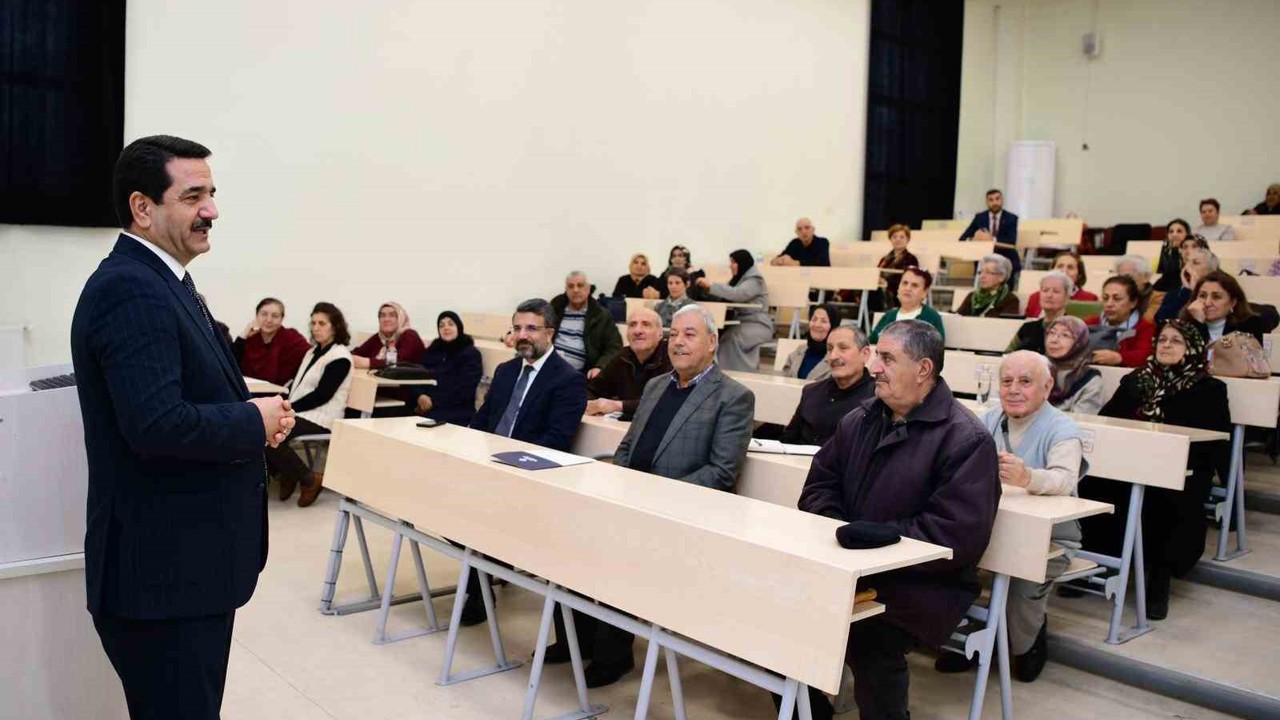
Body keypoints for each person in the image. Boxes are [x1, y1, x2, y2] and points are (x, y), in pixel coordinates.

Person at [70, 135, 294, 719]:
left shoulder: (162, 280)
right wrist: (250, 420)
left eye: (212, 194)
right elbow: (156, 425)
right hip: (162, 579)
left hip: (184, 571)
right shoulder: (132, 288)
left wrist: (249, 411)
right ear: (143, 208)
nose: (212, 210)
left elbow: (177, 395)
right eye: (193, 196)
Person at [793, 320, 1001, 720]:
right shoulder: (861, 419)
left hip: (923, 581)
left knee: (867, 639)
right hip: (849, 563)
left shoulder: (966, 440)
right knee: (776, 607)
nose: (874, 367)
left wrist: (874, 541)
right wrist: (836, 531)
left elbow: (956, 537)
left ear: (923, 369)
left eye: (887, 358)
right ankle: (810, 711)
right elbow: (819, 485)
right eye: (874, 354)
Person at [561, 304, 754, 688]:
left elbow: (721, 472)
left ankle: (612, 655)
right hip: (633, 502)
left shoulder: (733, 397)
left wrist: (654, 497)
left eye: (690, 335)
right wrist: (616, 485)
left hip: (682, 515)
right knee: (570, 535)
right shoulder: (655, 386)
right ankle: (576, 641)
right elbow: (628, 446)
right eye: (675, 334)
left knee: (622, 554)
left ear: (712, 343)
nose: (678, 343)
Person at [935, 352, 1086, 683]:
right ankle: (964, 641)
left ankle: (1026, 643)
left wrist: (1028, 477)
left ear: (1047, 387)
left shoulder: (1063, 428)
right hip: (990, 529)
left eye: (1025, 382)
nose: (1014, 390)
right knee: (947, 564)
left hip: (1049, 539)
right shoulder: (987, 420)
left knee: (1022, 586)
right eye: (1007, 381)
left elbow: (1064, 479)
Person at [1077, 320, 1231, 619]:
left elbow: (1214, 443)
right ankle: (1094, 564)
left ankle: (1159, 578)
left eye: (1176, 341)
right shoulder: (1137, 379)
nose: (1166, 345)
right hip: (1131, 463)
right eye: (1162, 340)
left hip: (1182, 469)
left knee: (1165, 498)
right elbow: (1108, 421)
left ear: (1194, 349)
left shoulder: (1209, 389)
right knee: (1093, 484)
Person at [463, 298, 588, 626]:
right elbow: (482, 422)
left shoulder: (567, 379)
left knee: (473, 512)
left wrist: (506, 465)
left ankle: (480, 588)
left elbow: (555, 443)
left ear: (551, 333)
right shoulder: (505, 372)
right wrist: (464, 448)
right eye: (517, 328)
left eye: (531, 328)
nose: (523, 335)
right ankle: (482, 579)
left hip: (530, 476)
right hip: (488, 467)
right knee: (440, 502)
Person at [265, 302, 354, 507]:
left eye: (322, 323)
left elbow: (322, 395)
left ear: (336, 327)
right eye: (313, 322)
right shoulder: (313, 352)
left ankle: (309, 479)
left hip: (323, 416)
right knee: (267, 428)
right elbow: (298, 385)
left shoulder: (340, 357)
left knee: (272, 432)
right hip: (303, 412)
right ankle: (290, 474)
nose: (316, 327)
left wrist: (290, 408)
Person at [779, 325, 875, 446]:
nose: (833, 356)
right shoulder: (811, 391)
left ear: (865, 354)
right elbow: (788, 439)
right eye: (830, 349)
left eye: (843, 348)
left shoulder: (877, 397)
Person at [585, 307, 672, 418]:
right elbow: (592, 390)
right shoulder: (623, 356)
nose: (637, 331)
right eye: (632, 325)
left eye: (646, 324)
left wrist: (618, 405)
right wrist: (591, 404)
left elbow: (663, 403)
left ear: (660, 334)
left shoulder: (671, 357)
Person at [695, 250, 772, 371]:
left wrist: (711, 286)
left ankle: (735, 374)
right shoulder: (739, 279)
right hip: (739, 323)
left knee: (731, 338)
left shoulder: (755, 280)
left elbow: (738, 294)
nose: (730, 265)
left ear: (742, 263)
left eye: (733, 262)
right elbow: (727, 294)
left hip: (758, 324)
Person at [411, 311, 484, 425]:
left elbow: (465, 390)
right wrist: (420, 396)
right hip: (426, 409)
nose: (446, 328)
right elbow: (417, 376)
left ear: (458, 327)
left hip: (456, 413)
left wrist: (432, 402)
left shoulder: (470, 354)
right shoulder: (432, 351)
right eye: (441, 325)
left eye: (450, 324)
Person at [550, 271, 623, 377]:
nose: (575, 290)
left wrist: (599, 367)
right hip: (550, 369)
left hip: (580, 374)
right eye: (571, 286)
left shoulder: (601, 315)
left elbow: (614, 347)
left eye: (580, 285)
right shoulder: (555, 310)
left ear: (588, 289)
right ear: (566, 290)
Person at [232, 297, 311, 387]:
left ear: (282, 319)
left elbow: (311, 357)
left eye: (275, 316)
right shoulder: (250, 339)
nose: (269, 320)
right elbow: (230, 363)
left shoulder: (292, 338)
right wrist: (243, 335)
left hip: (281, 395)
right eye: (264, 314)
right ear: (257, 316)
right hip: (248, 393)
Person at [1086, 276, 1156, 367]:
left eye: (1117, 299)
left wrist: (1120, 358)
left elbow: (1145, 354)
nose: (1109, 304)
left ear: (1133, 302)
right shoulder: (1088, 324)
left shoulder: (1145, 327)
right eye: (1105, 298)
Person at [1181, 270, 1267, 343]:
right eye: (1202, 296)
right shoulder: (1184, 326)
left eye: (1216, 297)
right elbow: (1191, 359)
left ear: (1232, 303)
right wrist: (1198, 323)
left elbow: (1242, 360)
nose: (1207, 303)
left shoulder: (1250, 324)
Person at [1044, 316, 1105, 414]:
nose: (1054, 340)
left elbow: (1082, 423)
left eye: (1065, 335)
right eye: (1052, 333)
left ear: (1079, 342)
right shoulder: (1036, 368)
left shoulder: (1090, 380)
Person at [869, 267, 945, 344]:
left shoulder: (931, 317)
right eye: (905, 283)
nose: (908, 288)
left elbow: (937, 348)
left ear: (925, 292)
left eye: (914, 285)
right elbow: (872, 343)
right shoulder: (888, 316)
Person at [959, 188, 1021, 277]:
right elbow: (963, 238)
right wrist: (974, 239)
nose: (994, 203)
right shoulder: (980, 217)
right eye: (991, 200)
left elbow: (1011, 240)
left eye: (997, 199)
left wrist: (992, 239)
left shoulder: (1011, 218)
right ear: (986, 202)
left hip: (1005, 256)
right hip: (984, 257)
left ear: (1002, 200)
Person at [1008, 271, 1073, 353]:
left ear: (1067, 298)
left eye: (1056, 291)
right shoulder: (1027, 328)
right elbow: (1008, 354)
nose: (1049, 295)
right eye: (1045, 290)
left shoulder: (1075, 329)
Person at [1023, 250, 1098, 317]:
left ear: (1079, 276)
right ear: (1052, 270)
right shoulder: (1035, 297)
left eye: (1070, 267)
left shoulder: (1090, 299)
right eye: (1060, 266)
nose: (1064, 271)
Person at [351, 302, 425, 369]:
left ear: (400, 318)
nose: (386, 319)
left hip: (409, 382)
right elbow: (357, 353)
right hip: (382, 382)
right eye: (382, 316)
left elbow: (399, 363)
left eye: (392, 315)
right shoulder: (380, 337)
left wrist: (368, 363)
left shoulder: (410, 335)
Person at [1155, 246, 1219, 322]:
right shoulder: (1175, 292)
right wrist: (1187, 291)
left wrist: (1195, 290)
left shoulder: (1217, 294)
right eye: (1186, 262)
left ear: (1211, 271)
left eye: (1196, 263)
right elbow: (1160, 319)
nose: (1188, 266)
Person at [781, 303, 841, 382]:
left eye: (824, 321)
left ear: (833, 326)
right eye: (814, 319)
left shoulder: (838, 357)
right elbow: (783, 381)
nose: (817, 324)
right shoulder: (799, 351)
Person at [877, 224, 920, 309]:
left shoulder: (911, 259)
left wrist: (887, 284)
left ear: (907, 239)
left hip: (898, 291)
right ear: (890, 239)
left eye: (901, 237)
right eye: (894, 237)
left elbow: (909, 280)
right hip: (880, 288)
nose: (898, 239)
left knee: (873, 294)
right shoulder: (884, 259)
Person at [1152, 219, 1193, 292]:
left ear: (1187, 234)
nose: (1174, 234)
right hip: (1167, 285)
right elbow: (1162, 271)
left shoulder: (1194, 249)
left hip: (1186, 285)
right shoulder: (1166, 248)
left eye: (1179, 231)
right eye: (1171, 232)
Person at [1113, 254, 1154, 318]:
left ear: (1146, 277)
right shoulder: (1113, 297)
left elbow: (1149, 322)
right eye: (1120, 278)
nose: (1123, 283)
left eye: (1128, 278)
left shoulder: (1157, 298)